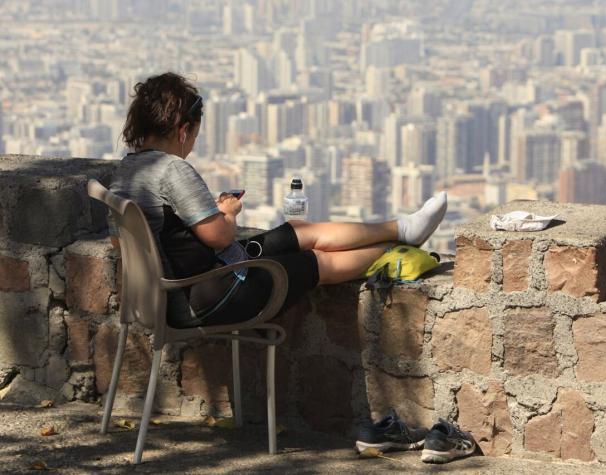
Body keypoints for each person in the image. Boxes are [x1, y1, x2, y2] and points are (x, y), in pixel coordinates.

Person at [108, 72, 447, 328]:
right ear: (183, 130)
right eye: (194, 135)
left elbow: (125, 241)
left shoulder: (127, 172)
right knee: (317, 261)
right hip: (205, 296)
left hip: (169, 295)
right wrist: (228, 211)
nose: (192, 144)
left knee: (298, 232)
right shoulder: (172, 170)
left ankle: (403, 229)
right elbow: (220, 236)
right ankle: (394, 251)